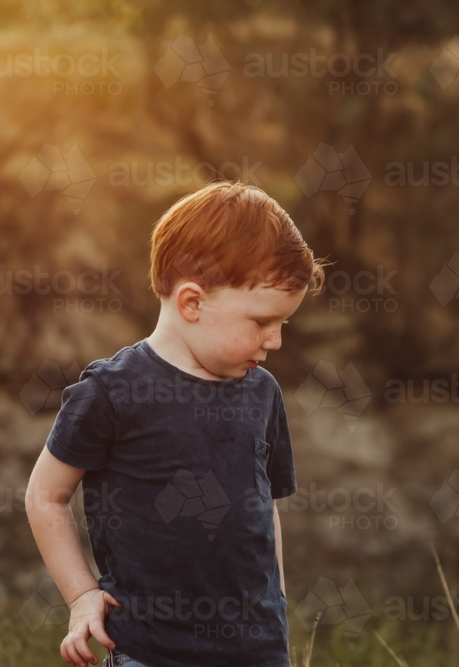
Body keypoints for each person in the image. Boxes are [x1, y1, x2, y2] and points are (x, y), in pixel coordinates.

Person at [25, 182, 328, 667]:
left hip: (258, 653)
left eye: (283, 324)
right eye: (261, 321)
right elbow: (45, 496)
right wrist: (81, 595)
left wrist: (276, 613)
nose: (274, 340)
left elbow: (263, 509)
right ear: (192, 303)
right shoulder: (112, 392)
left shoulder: (263, 392)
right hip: (150, 652)